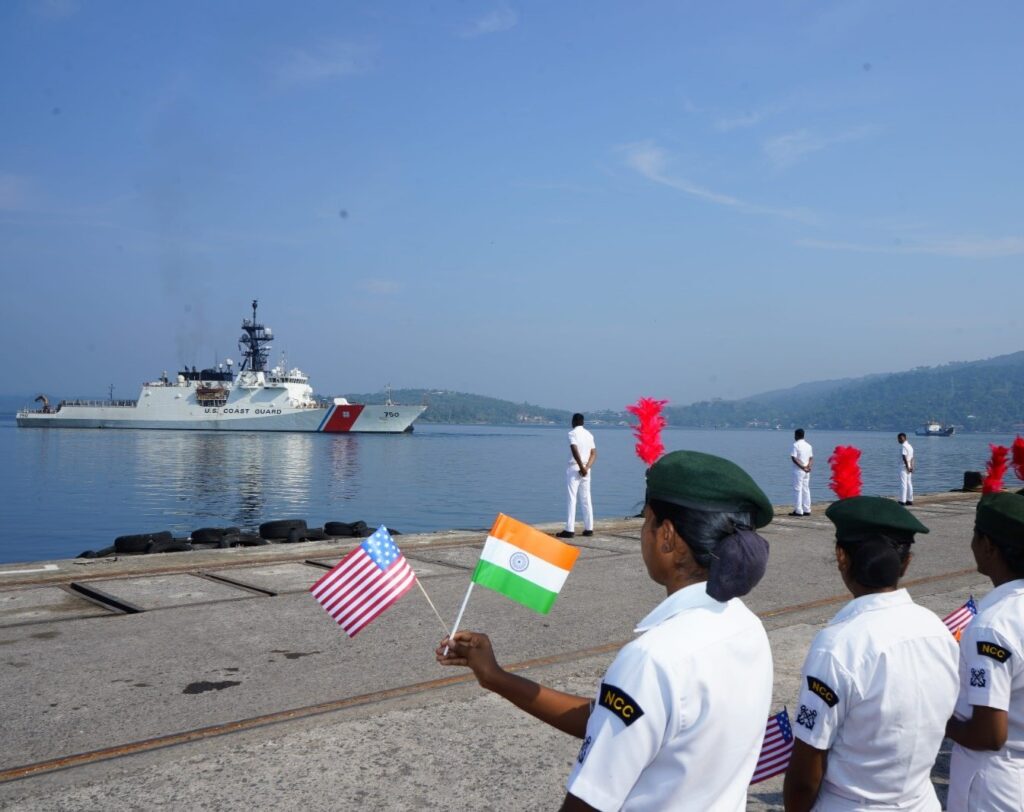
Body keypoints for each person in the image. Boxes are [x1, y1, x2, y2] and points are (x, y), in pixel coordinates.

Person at [437, 450, 775, 811]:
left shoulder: (654, 659)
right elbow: (610, 724)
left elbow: (589, 800)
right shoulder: (747, 627)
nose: (642, 533)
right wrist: (494, 677)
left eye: (646, 522)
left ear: (668, 537)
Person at [783, 496, 959, 811]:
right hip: (920, 800)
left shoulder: (837, 645)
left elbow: (805, 773)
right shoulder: (937, 630)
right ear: (906, 562)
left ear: (841, 556)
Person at [945, 492, 1024, 811]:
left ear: (988, 546)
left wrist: (938, 716)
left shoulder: (993, 626)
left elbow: (988, 734)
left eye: (975, 535)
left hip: (995, 787)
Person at [558, 413, 596, 539]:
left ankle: (570, 529)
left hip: (575, 467)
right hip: (587, 469)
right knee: (586, 499)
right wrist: (586, 468)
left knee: (572, 498)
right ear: (583, 422)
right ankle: (589, 528)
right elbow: (594, 454)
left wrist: (580, 467)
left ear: (573, 422)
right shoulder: (589, 435)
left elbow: (574, 450)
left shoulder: (572, 433)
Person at [790, 428, 813, 516]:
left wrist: (802, 467)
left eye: (794, 435)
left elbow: (793, 458)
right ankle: (807, 509)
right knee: (806, 489)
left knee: (797, 490)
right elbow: (811, 458)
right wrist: (808, 467)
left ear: (797, 435)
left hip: (799, 470)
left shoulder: (796, 445)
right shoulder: (808, 445)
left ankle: (798, 510)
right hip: (807, 471)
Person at [898, 433, 915, 505]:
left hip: (904, 466)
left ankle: (902, 501)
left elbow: (904, 457)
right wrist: (912, 466)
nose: (899, 440)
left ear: (904, 438)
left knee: (903, 484)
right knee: (909, 483)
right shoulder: (910, 446)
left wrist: (907, 467)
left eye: (900, 438)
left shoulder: (904, 446)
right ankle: (910, 500)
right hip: (909, 466)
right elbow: (912, 458)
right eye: (899, 438)